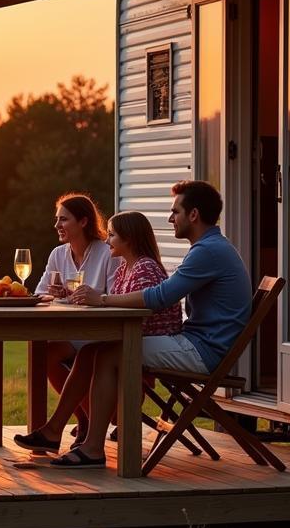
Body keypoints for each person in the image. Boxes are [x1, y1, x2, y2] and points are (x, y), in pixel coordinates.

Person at [50, 180, 251, 468]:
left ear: (193, 215)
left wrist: (102, 300)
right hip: (196, 342)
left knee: (107, 355)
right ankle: (71, 436)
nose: (170, 219)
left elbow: (159, 297)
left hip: (203, 350)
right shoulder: (209, 248)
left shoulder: (208, 251)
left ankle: (93, 448)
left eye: (175, 212)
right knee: (95, 352)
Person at [14, 210, 182, 461]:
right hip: (137, 339)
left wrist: (99, 300)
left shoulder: (144, 268)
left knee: (99, 354)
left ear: (130, 239)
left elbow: (138, 312)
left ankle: (90, 445)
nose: (107, 240)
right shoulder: (128, 267)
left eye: (112, 235)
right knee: (89, 352)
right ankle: (53, 431)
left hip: (149, 342)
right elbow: (119, 305)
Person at [33, 193, 121, 435]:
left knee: (69, 353)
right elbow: (40, 293)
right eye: (57, 219)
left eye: (64, 219)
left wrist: (93, 298)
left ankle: (89, 425)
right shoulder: (58, 254)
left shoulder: (107, 253)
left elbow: (116, 296)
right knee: (45, 353)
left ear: (83, 221)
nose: (57, 225)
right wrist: (58, 294)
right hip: (72, 331)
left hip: (101, 333)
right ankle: (85, 419)